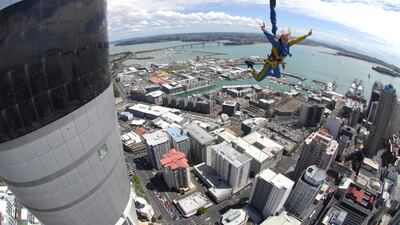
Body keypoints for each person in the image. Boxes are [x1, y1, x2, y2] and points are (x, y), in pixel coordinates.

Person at [245, 0, 312, 81]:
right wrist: (264, 30)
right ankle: (251, 66)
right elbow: (270, 38)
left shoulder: (288, 44)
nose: (285, 40)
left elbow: (297, 39)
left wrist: (307, 35)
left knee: (278, 76)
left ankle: (265, 73)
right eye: (283, 39)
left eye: (286, 39)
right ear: (281, 39)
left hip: (276, 64)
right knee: (258, 78)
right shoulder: (277, 44)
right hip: (270, 63)